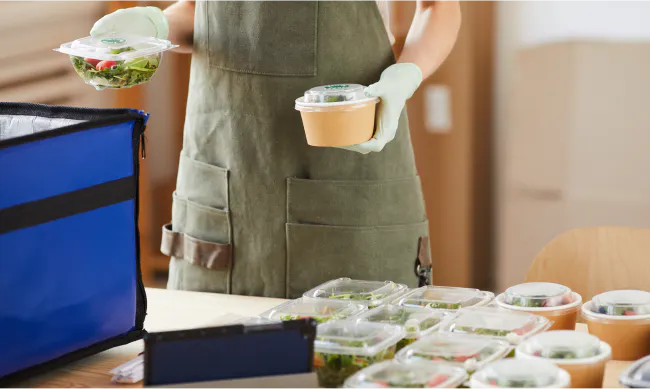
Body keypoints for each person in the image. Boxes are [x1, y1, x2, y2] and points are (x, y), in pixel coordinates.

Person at [91, 0, 461, 298]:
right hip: (223, 173)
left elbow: (438, 8)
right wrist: (154, 27)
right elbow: (198, 11)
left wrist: (406, 75)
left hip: (344, 172)